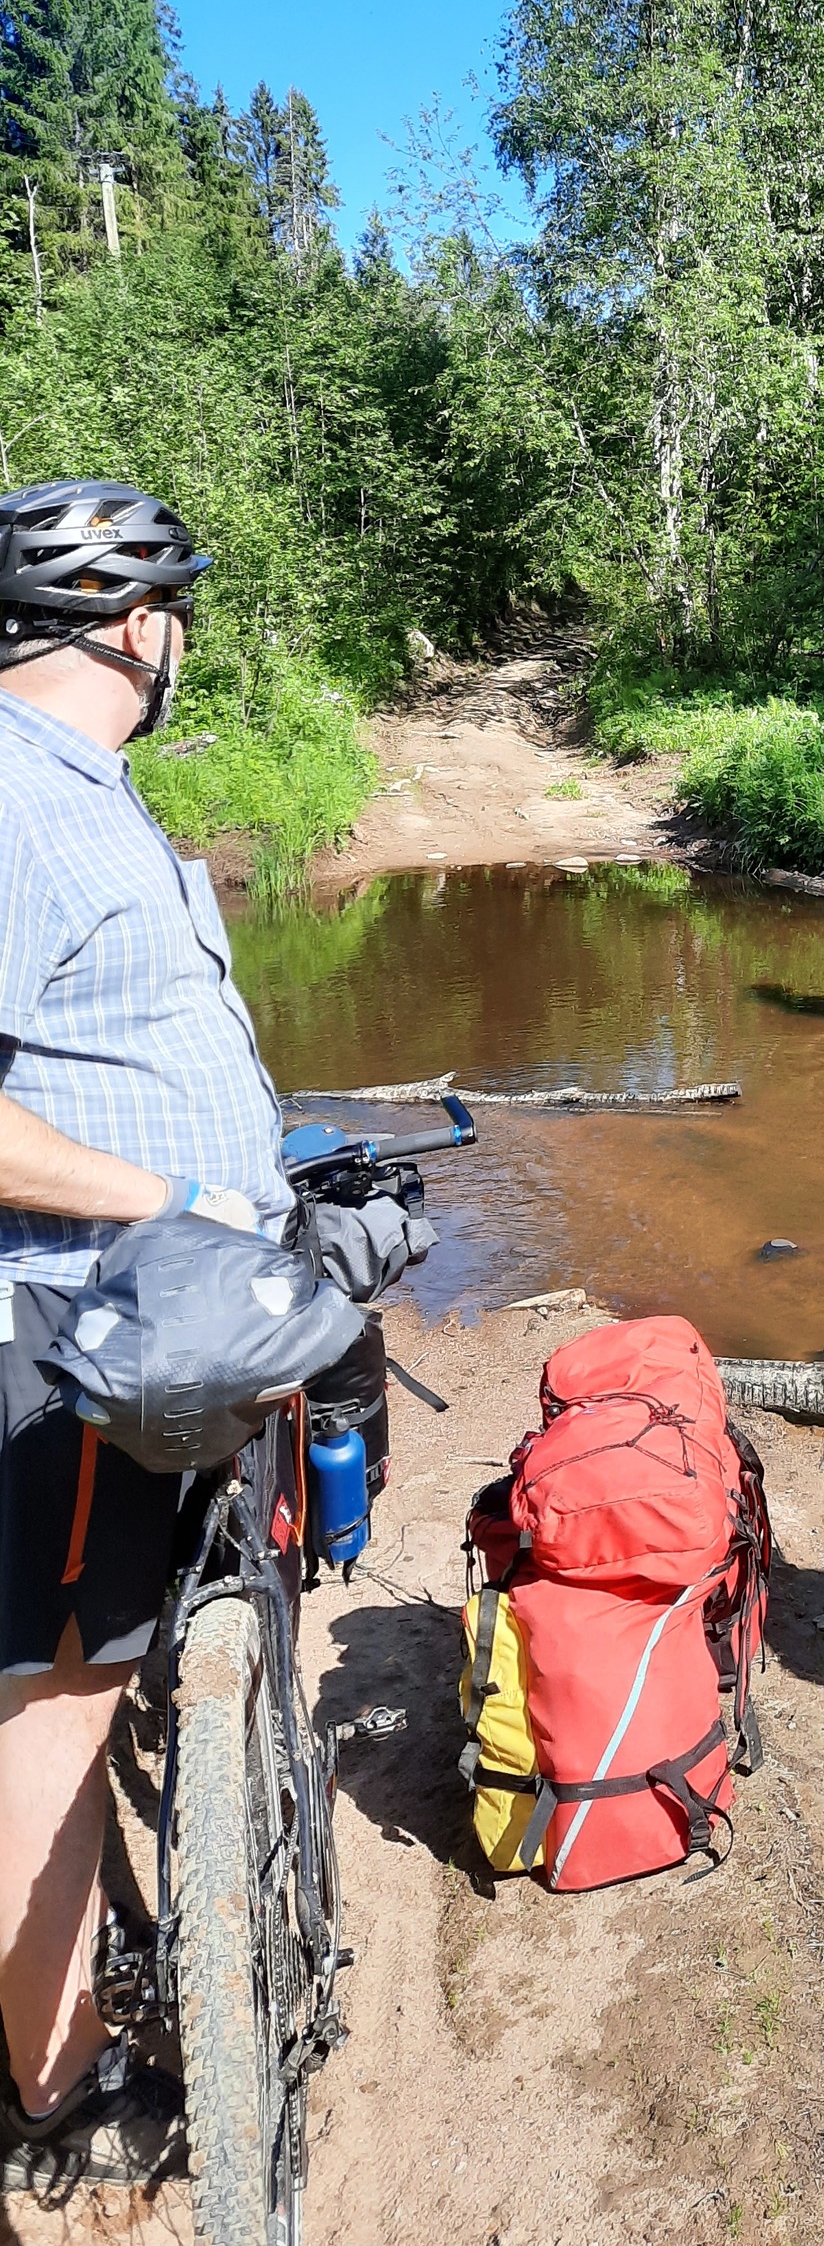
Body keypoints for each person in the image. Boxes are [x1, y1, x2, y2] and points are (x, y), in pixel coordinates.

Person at [0, 481, 293, 2190]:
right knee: (49, 1714)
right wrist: (171, 1192)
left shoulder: (78, 793)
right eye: (175, 615)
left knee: (90, 1681)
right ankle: (64, 2092)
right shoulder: (18, 801)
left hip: (132, 1317)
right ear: (138, 625)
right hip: (62, 1340)